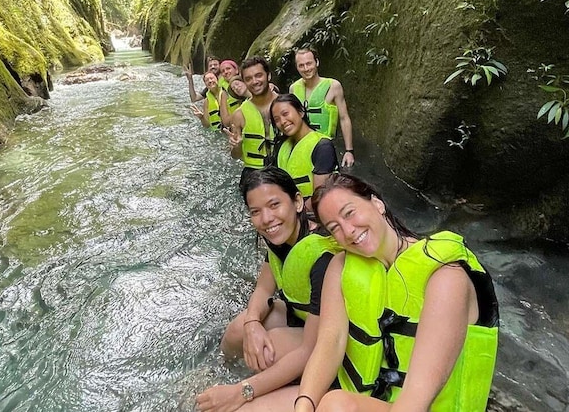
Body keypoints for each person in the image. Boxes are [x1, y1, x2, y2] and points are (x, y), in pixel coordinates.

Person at [294, 173, 499, 412]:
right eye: (334, 228)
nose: (348, 231)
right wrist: (304, 403)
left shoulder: (446, 277)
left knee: (335, 405)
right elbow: (331, 342)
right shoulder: (340, 267)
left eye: (350, 213)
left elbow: (415, 402)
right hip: (372, 399)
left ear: (377, 204)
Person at [195, 167, 340, 412]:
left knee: (267, 350)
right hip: (301, 318)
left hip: (327, 339)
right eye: (256, 212)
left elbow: (312, 348)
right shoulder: (279, 237)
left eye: (274, 205)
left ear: (296, 202)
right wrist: (252, 324)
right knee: (237, 330)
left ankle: (240, 390)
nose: (266, 219)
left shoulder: (321, 256)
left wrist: (242, 392)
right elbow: (263, 289)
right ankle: (216, 377)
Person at [289, 47, 356, 168]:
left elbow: (344, 118)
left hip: (324, 147)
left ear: (317, 62)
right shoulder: (294, 88)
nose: (306, 68)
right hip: (301, 146)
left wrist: (349, 151)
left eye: (309, 63)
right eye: (301, 65)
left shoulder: (333, 86)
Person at [270, 94, 338, 211]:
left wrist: (294, 215)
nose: (282, 121)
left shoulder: (322, 146)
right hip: (289, 210)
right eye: (276, 119)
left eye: (285, 114)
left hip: (313, 215)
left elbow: (320, 196)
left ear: (301, 112)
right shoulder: (281, 145)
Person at [225, 57, 278, 182]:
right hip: (253, 172)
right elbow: (235, 155)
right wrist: (237, 146)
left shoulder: (286, 106)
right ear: (244, 82)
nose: (254, 81)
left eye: (258, 75)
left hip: (282, 169)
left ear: (268, 76)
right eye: (248, 79)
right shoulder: (239, 114)